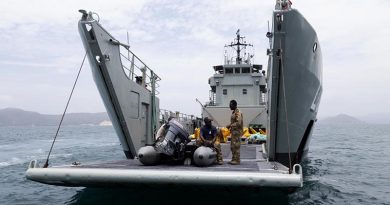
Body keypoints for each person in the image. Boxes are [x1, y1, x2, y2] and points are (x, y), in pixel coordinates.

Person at [226, 100, 243, 165]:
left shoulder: (237, 112)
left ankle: (237, 160)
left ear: (234, 105)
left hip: (237, 132)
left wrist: (230, 125)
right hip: (234, 132)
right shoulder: (234, 112)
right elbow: (234, 122)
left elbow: (238, 123)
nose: (229, 106)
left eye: (230, 105)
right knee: (233, 146)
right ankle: (233, 159)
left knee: (236, 146)